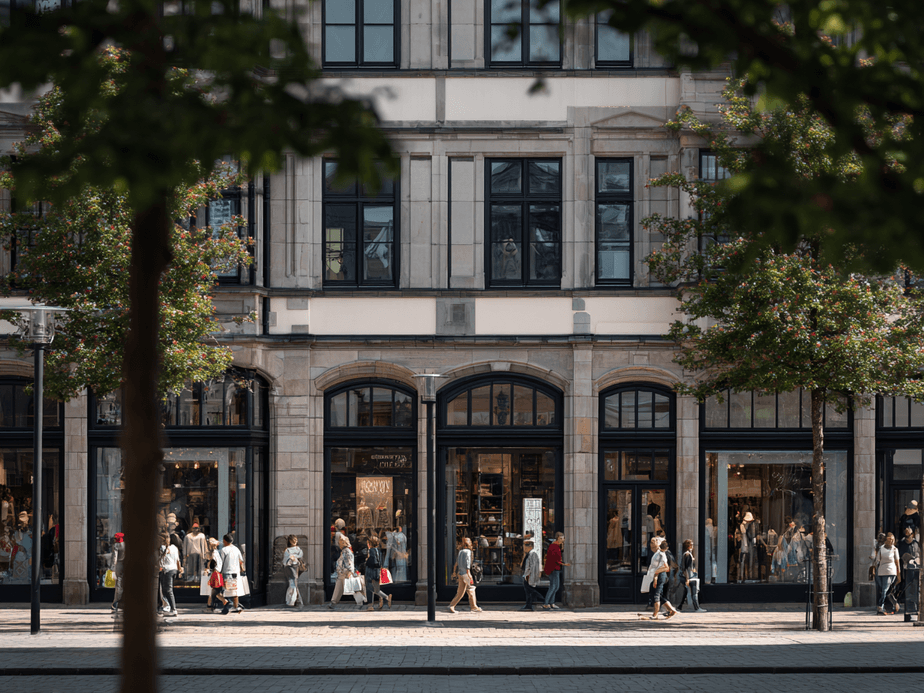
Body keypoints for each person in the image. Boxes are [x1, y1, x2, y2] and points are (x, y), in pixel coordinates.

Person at [448, 537, 481, 613]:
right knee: (471, 589)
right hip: (466, 574)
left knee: (460, 592)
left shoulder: (460, 552)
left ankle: (452, 605)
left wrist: (454, 572)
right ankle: (474, 607)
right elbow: (467, 563)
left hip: (460, 573)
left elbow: (456, 564)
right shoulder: (468, 552)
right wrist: (469, 575)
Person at [871, 532, 901, 615]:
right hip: (880, 571)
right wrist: (873, 570)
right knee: (885, 590)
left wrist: (899, 575)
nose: (891, 541)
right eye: (889, 540)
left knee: (884, 589)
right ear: (886, 540)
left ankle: (880, 607)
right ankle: (895, 603)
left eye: (892, 540)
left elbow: (897, 563)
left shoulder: (895, 550)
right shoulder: (881, 549)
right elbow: (877, 561)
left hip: (890, 571)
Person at [329, 535, 363, 609]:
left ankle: (360, 601)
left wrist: (350, 571)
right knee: (340, 586)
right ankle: (333, 602)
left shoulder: (346, 551)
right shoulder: (345, 551)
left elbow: (349, 562)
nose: (339, 544)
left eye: (340, 542)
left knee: (353, 587)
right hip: (342, 573)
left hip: (345, 572)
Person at [649, 538, 678, 620]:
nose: (651, 544)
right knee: (657, 594)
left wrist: (655, 576)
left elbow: (666, 567)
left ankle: (655, 615)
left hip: (660, 576)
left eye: (653, 542)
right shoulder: (656, 554)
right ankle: (671, 610)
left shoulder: (660, 554)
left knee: (656, 595)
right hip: (658, 576)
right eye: (651, 542)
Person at [218, 533, 245, 615]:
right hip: (236, 572)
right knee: (234, 589)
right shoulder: (236, 549)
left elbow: (220, 562)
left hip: (227, 571)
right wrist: (242, 569)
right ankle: (236, 606)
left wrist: (218, 572)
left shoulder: (224, 550)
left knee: (225, 590)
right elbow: (241, 561)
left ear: (224, 541)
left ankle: (227, 605)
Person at [542, 532, 570, 610]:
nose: (563, 540)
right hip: (553, 569)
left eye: (563, 538)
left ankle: (551, 603)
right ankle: (546, 603)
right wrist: (564, 564)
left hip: (556, 568)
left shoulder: (557, 546)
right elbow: (554, 559)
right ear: (557, 538)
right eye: (561, 538)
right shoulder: (553, 546)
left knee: (556, 586)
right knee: (553, 586)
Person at [363, 536, 391, 611]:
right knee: (376, 589)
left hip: (370, 571)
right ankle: (386, 597)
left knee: (369, 588)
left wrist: (366, 561)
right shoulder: (379, 551)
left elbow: (372, 561)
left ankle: (370, 606)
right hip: (377, 572)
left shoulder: (370, 551)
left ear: (369, 543)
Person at [678, 539, 706, 612]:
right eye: (692, 544)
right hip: (689, 577)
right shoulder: (687, 555)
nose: (693, 546)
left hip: (688, 576)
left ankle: (679, 606)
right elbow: (686, 568)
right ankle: (697, 608)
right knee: (694, 592)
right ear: (689, 546)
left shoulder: (687, 554)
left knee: (686, 592)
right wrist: (687, 579)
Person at [158, 532, 180, 618]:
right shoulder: (174, 548)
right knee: (165, 590)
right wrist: (179, 569)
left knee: (168, 590)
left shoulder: (163, 548)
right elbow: (178, 560)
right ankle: (167, 607)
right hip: (173, 569)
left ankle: (173, 609)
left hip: (167, 570)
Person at [521, 539, 543, 610]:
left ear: (530, 547)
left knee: (529, 590)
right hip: (527, 575)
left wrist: (529, 575)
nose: (524, 548)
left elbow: (533, 567)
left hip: (529, 575)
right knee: (528, 591)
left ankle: (541, 598)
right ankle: (529, 605)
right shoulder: (529, 553)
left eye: (525, 547)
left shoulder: (533, 554)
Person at [283, 534, 304, 607]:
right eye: (293, 540)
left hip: (296, 567)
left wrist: (294, 557)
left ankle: (291, 600)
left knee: (293, 583)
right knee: (293, 583)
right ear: (290, 541)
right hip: (289, 567)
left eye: (295, 540)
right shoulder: (287, 550)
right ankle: (293, 600)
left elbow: (300, 555)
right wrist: (290, 558)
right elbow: (285, 561)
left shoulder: (298, 549)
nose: (295, 541)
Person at [110, 532, 125, 614]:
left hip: (119, 566)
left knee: (118, 585)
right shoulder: (126, 545)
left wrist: (112, 569)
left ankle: (115, 604)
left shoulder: (116, 546)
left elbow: (114, 558)